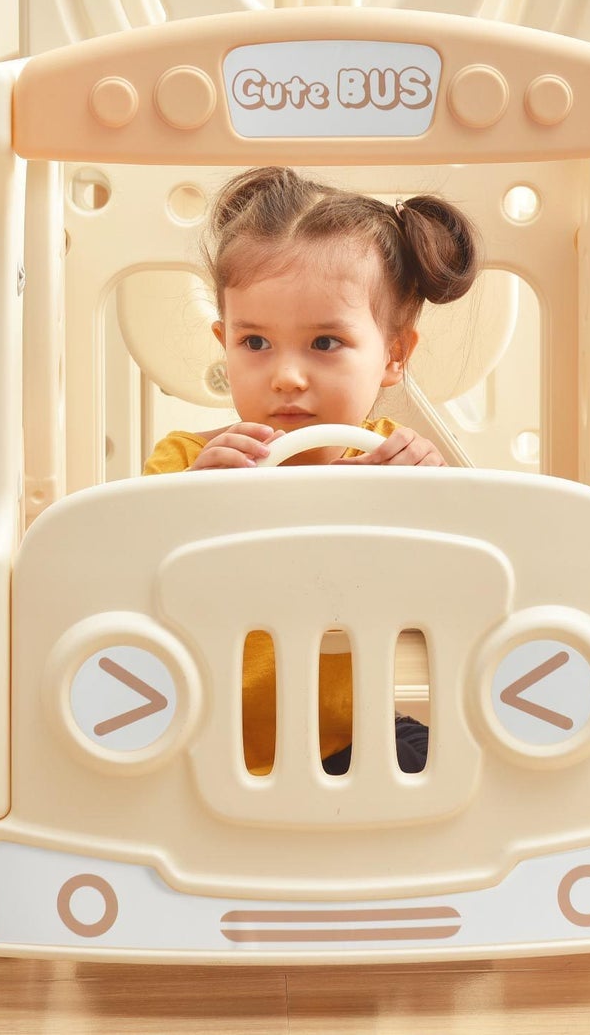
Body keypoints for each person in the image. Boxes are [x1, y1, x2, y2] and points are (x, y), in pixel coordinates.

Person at [142, 166, 482, 777]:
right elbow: (125, 598)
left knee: (462, 765)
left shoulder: (394, 463)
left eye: (324, 343)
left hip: (346, 744)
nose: (286, 376)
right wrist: (189, 508)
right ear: (225, 341)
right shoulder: (183, 464)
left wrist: (428, 508)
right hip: (190, 743)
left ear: (394, 354)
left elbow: (453, 608)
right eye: (255, 343)